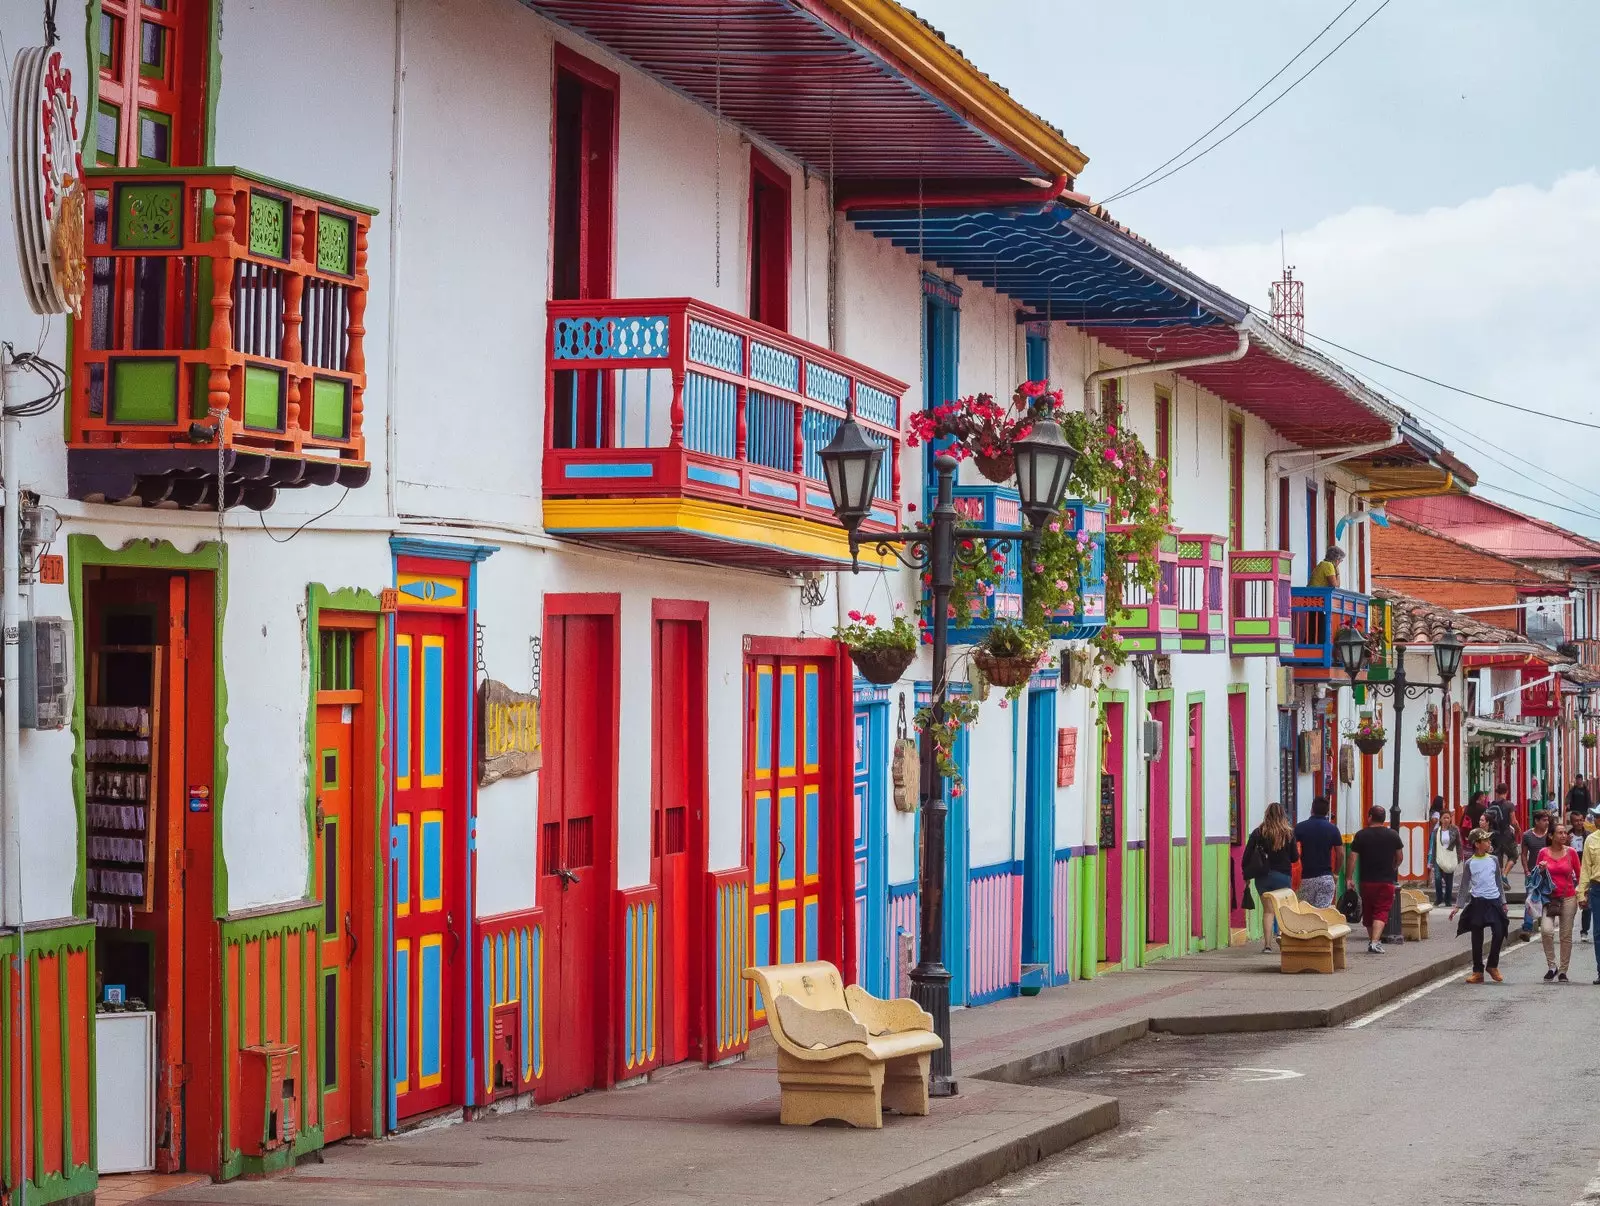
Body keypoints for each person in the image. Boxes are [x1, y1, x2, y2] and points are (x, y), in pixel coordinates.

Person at [1452, 828, 1509, 984]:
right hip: (1478, 902)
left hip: (1494, 900)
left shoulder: (1494, 860)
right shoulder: (1470, 863)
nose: (1489, 843)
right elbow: (1464, 886)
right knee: (1476, 937)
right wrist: (1458, 906)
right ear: (1477, 844)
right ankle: (1478, 971)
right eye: (1486, 840)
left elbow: (1498, 882)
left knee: (1499, 931)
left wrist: (1503, 902)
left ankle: (1492, 965)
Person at [1346, 805, 1405, 953]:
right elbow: (1399, 857)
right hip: (1386, 881)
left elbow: (1352, 858)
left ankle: (1373, 941)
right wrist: (1393, 867)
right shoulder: (1393, 835)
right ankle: (1374, 941)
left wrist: (1348, 878)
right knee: (1381, 911)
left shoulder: (1361, 835)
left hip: (1366, 881)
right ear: (1384, 818)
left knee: (1368, 911)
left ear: (1370, 817)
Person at [1243, 802, 1296, 952]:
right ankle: (1280, 936)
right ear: (1282, 815)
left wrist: (1246, 876)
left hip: (1263, 877)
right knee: (1282, 909)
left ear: (1267, 814)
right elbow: (1294, 857)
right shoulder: (1289, 833)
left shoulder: (1258, 833)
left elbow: (1247, 857)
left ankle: (1267, 945)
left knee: (1268, 911)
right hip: (1283, 876)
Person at [1536, 822, 1582, 982]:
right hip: (1549, 899)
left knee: (1565, 935)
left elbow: (1580, 874)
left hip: (1568, 897)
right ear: (1551, 836)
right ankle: (1551, 966)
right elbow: (1536, 878)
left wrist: (1582, 895)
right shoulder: (1543, 852)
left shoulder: (1571, 853)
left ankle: (1563, 970)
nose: (1564, 835)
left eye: (1565, 833)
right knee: (1546, 931)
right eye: (1560, 833)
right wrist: (1541, 870)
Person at [1294, 796, 1343, 909]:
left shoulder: (1300, 827)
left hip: (1307, 878)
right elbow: (1340, 854)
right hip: (1326, 878)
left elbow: (1291, 849)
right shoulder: (1333, 829)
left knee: (1305, 913)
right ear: (1327, 812)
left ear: (1312, 809)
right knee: (1322, 914)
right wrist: (1336, 873)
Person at [1519, 810, 1551, 936]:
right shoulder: (1527, 835)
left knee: (1546, 899)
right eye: (1544, 820)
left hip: (1548, 874)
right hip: (1533, 873)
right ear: (1536, 821)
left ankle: (1545, 924)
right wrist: (1526, 870)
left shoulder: (1550, 836)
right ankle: (1527, 927)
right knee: (1530, 900)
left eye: (1547, 820)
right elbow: (1523, 854)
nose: (1546, 823)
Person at [1578, 806, 1600, 984]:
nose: (1598, 820)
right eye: (1597, 817)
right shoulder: (1590, 840)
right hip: (1597, 888)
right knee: (1598, 932)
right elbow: (1585, 868)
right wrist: (1581, 893)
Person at [1427, 800, 1461, 907]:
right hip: (1438, 857)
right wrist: (1430, 861)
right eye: (1444, 818)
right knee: (1437, 878)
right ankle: (1439, 898)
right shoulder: (1436, 831)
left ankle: (1447, 899)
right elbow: (1432, 846)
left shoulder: (1454, 830)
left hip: (1450, 856)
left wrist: (1459, 856)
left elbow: (1459, 844)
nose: (1446, 820)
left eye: (1448, 817)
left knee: (1449, 879)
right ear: (1440, 819)